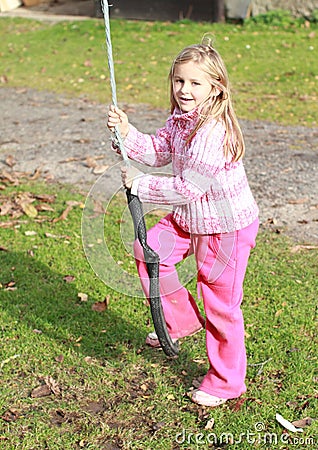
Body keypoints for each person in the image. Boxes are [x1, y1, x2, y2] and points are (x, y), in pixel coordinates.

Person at [107, 37, 259, 407]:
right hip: (190, 219)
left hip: (225, 227)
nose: (185, 90)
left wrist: (140, 185)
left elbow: (189, 187)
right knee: (150, 251)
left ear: (216, 88)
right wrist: (126, 134)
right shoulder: (181, 120)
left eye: (195, 83)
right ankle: (180, 321)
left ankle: (227, 380)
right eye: (179, 81)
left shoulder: (212, 132)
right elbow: (159, 151)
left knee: (220, 302)